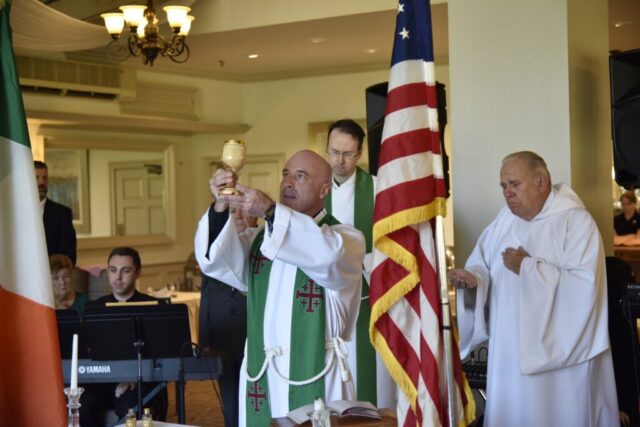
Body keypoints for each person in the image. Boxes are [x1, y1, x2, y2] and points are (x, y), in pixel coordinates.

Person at [195, 150, 365, 426]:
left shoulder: (346, 238)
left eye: (301, 176)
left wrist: (271, 211)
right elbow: (216, 261)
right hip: (264, 371)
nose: (288, 182)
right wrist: (220, 205)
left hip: (317, 369)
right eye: (286, 174)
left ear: (324, 190)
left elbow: (326, 256)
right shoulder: (260, 241)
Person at [447, 151, 619, 426]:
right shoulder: (504, 221)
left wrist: (527, 268)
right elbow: (482, 264)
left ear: (541, 182)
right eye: (503, 186)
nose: (507, 193)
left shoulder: (576, 222)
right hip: (509, 349)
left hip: (561, 365)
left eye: (515, 184)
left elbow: (584, 289)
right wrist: (474, 280)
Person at [323, 118, 394, 408]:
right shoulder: (313, 188)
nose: (339, 161)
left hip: (366, 296)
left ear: (360, 153)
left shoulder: (378, 190)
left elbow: (394, 245)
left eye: (347, 153)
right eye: (334, 151)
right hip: (324, 300)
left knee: (366, 377)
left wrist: (363, 261)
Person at [81, 247, 167, 426]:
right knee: (84, 404)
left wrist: (132, 378)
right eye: (113, 270)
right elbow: (86, 351)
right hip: (102, 382)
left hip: (140, 381)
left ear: (138, 273)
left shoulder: (153, 306)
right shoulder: (93, 308)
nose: (118, 277)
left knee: (128, 405)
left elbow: (162, 356)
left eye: (125, 270)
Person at [198, 209, 257, 427]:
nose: (238, 215)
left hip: (254, 330)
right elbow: (207, 295)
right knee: (230, 394)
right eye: (232, 211)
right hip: (223, 332)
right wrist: (205, 340)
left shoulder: (266, 243)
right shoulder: (216, 250)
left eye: (243, 209)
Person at [34, 161, 77, 265]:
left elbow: (69, 255)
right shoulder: (14, 214)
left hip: (53, 273)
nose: (41, 182)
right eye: (36, 177)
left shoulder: (62, 213)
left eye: (45, 178)